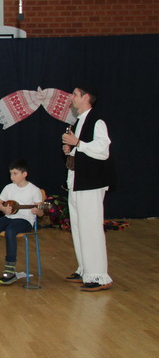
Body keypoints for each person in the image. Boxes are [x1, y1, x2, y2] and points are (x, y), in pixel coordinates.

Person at [61, 85, 114, 292]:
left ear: (86, 97)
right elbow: (82, 149)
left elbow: (103, 150)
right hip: (77, 182)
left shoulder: (97, 121)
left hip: (91, 183)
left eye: (75, 94)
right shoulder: (79, 121)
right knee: (78, 227)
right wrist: (71, 149)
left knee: (91, 228)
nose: (71, 97)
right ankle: (85, 269)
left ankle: (99, 276)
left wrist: (78, 143)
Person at [0, 159, 44, 285]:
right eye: (11, 173)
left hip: (25, 220)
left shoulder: (34, 190)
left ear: (24, 174)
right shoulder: (9, 188)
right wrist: (4, 209)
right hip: (9, 217)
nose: (12, 176)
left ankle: (10, 270)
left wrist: (37, 211)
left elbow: (41, 213)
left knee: (10, 231)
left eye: (15, 173)